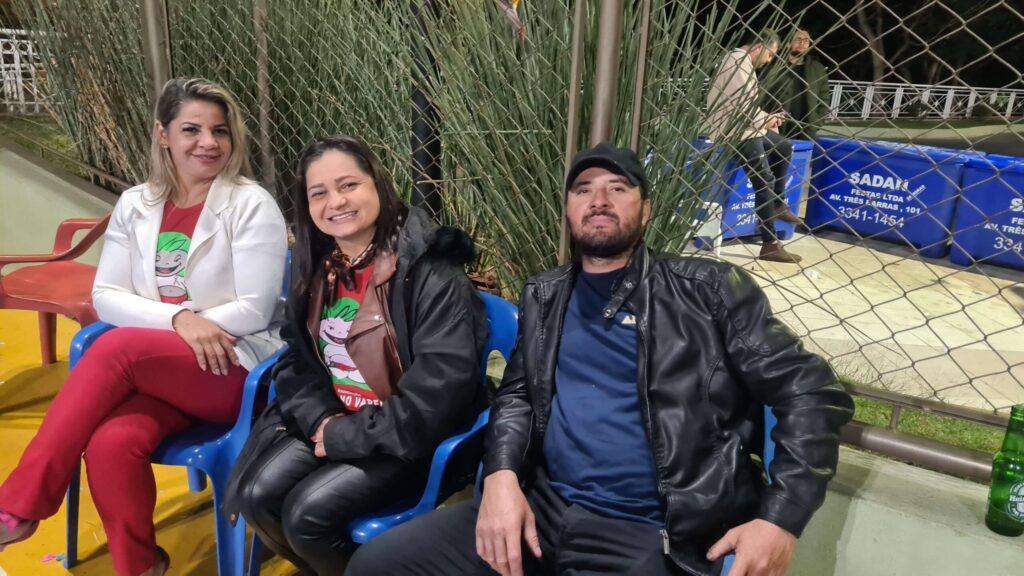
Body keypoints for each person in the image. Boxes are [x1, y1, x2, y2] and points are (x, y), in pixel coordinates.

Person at [345, 143, 854, 576]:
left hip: (650, 531)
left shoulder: (708, 290)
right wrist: (501, 476)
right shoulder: (546, 294)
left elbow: (812, 393)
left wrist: (781, 518)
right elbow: (518, 395)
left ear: (646, 210)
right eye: (583, 189)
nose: (599, 200)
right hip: (543, 509)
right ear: (569, 210)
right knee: (376, 564)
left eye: (618, 188)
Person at [0, 77, 288, 576]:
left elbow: (255, 310)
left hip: (233, 367)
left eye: (219, 131)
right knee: (111, 443)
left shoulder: (250, 203)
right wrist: (178, 319)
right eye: (191, 129)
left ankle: (16, 509)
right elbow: (106, 296)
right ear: (163, 134)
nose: (208, 142)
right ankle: (140, 566)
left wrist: (180, 328)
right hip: (160, 369)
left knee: (117, 349)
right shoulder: (136, 203)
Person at [222, 135, 488, 575]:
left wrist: (344, 436)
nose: (336, 202)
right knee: (256, 496)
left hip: (410, 437)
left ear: (377, 184)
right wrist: (322, 421)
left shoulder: (430, 272)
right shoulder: (320, 263)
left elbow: (436, 399)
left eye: (348, 185)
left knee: (308, 516)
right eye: (319, 193)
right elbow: (297, 360)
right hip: (339, 419)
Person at [705, 30, 805, 264]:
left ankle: (778, 203)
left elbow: (745, 106)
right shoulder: (737, 63)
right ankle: (770, 244)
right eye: (770, 55)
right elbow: (742, 109)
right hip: (735, 132)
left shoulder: (743, 64)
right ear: (759, 47)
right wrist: (766, 120)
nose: (769, 61)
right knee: (764, 180)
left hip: (746, 126)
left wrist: (767, 118)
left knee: (784, 147)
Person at [762, 30, 831, 141]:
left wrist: (816, 122)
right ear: (788, 43)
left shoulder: (817, 69)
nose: (802, 43)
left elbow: (824, 98)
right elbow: (762, 94)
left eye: (806, 40)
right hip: (777, 125)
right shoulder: (773, 65)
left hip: (806, 128)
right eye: (798, 39)